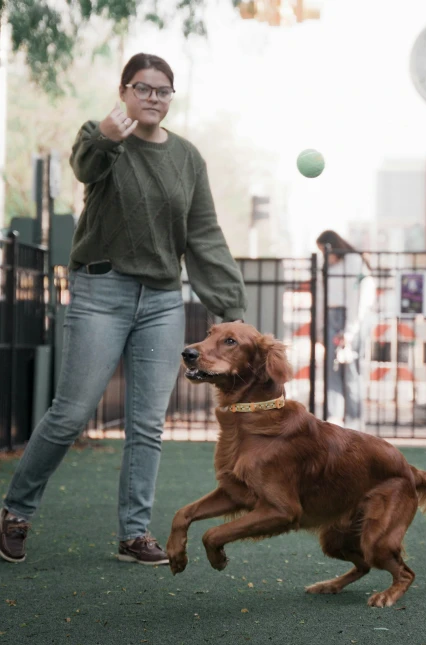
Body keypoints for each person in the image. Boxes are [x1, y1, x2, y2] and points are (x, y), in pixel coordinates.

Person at [0, 53, 246, 566]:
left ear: (170, 97)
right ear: (125, 91)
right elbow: (84, 166)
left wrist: (231, 308)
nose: (153, 97)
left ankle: (135, 534)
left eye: (162, 90)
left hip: (160, 300)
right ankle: (14, 513)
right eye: (143, 87)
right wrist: (107, 136)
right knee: (70, 413)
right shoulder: (103, 138)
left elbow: (203, 235)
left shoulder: (187, 158)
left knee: (147, 424)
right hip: (101, 293)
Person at [316, 230, 375, 430]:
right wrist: (321, 328)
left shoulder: (353, 261)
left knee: (351, 370)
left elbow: (355, 300)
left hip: (351, 317)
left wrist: (349, 331)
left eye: (325, 250)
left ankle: (354, 419)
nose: (325, 254)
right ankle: (334, 416)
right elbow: (322, 298)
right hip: (333, 316)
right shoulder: (327, 266)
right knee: (332, 369)